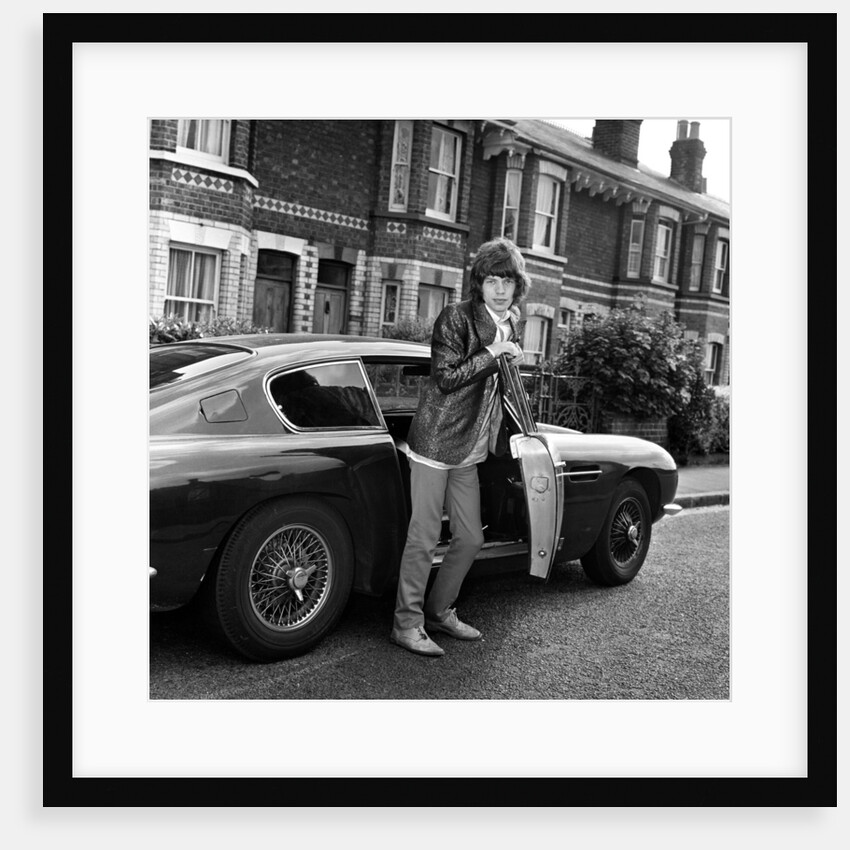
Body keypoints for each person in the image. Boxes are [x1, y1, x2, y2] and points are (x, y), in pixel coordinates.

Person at [390, 237, 530, 656]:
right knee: (424, 535)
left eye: (507, 281)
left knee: (469, 537)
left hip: (471, 447)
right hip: (436, 443)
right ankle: (406, 624)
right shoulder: (456, 317)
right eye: (492, 280)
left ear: (517, 286)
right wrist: (493, 351)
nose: (500, 289)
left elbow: (499, 381)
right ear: (479, 283)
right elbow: (447, 378)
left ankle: (438, 612)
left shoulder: (511, 320)